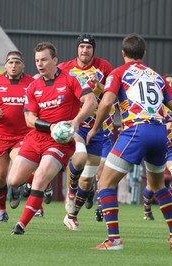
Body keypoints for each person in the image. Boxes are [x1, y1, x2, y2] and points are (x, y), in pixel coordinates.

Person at [86, 33, 172, 251]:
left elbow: (107, 103)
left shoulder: (118, 72)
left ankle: (114, 240)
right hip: (160, 133)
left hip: (136, 131)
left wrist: (94, 129)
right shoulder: (157, 76)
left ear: (123, 53)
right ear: (144, 54)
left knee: (104, 183)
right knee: (159, 186)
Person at [8, 41, 97, 235]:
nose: (40, 64)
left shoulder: (71, 80)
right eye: (37, 60)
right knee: (13, 181)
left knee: (39, 178)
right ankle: (41, 186)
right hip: (36, 137)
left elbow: (91, 102)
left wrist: (76, 121)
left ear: (54, 60)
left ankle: (21, 224)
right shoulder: (33, 86)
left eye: (44, 60)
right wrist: (51, 126)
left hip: (60, 142)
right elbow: (29, 119)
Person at [57, 34, 113, 231]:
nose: (85, 50)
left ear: (93, 50)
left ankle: (71, 216)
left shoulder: (104, 67)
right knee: (79, 158)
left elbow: (114, 94)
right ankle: (71, 190)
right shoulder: (65, 68)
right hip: (77, 122)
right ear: (77, 49)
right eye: (81, 47)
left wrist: (99, 85)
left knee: (89, 178)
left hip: (99, 125)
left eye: (88, 48)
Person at [0, 51, 35, 222]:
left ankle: (16, 186)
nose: (13, 65)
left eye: (17, 62)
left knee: (18, 167)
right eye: (10, 62)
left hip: (22, 135)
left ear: (23, 65)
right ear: (5, 65)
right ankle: (2, 211)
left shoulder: (32, 83)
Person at [142, 74, 172, 220]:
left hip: (171, 149)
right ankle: (147, 210)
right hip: (155, 147)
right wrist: (164, 125)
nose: (170, 84)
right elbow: (146, 121)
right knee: (152, 184)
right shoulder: (153, 101)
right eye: (167, 82)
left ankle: (164, 200)